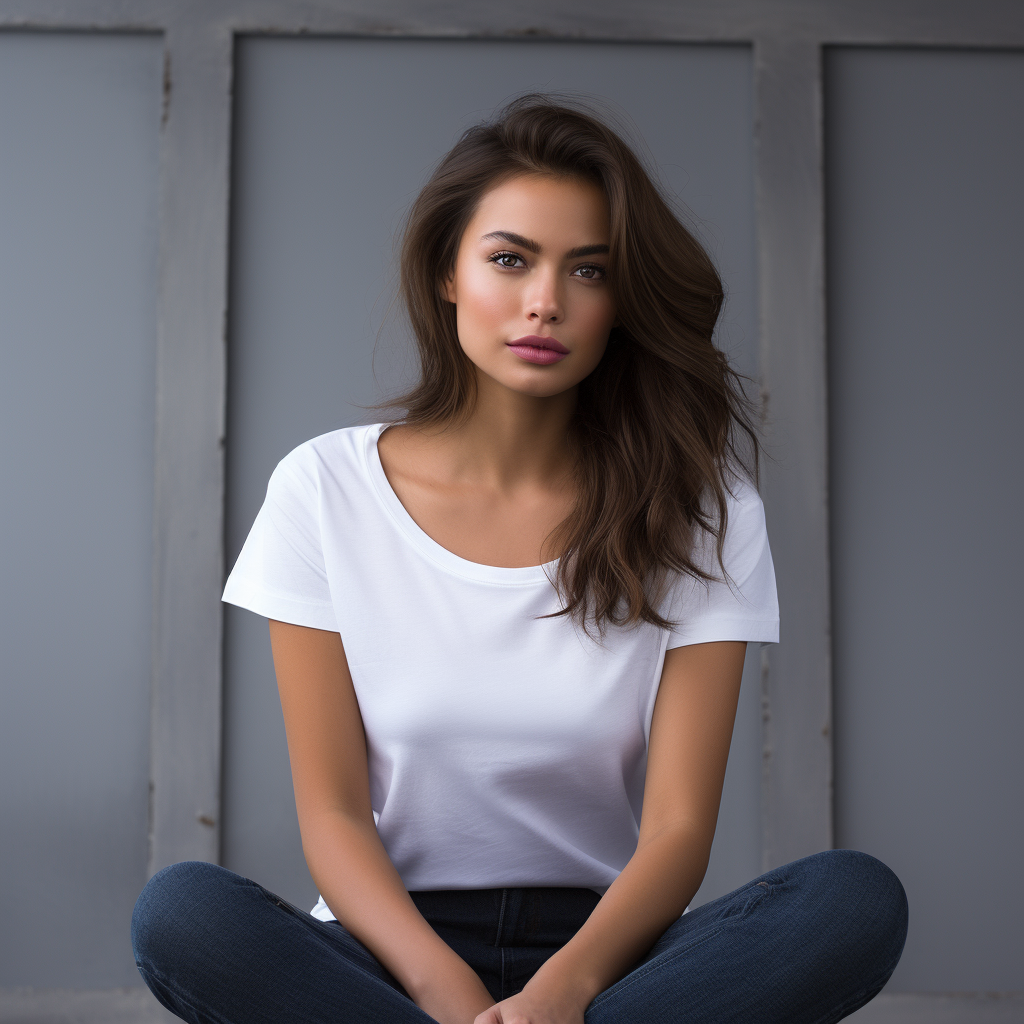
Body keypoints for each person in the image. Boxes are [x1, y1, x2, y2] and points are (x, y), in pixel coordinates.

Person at [131, 94, 907, 1024]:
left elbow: (678, 828)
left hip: (609, 957)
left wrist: (562, 995)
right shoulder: (324, 488)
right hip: (387, 956)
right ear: (447, 272)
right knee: (183, 912)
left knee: (853, 900)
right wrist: (445, 989)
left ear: (622, 301)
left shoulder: (699, 506)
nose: (546, 300)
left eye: (589, 269)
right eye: (510, 259)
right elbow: (334, 815)